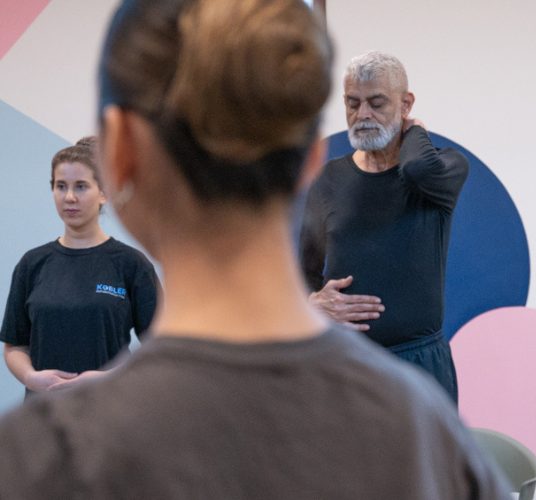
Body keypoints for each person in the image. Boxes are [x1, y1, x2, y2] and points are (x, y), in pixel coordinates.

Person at [0, 1, 508, 498]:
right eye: (355, 104)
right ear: (311, 159)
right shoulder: (430, 442)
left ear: (119, 160)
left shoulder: (37, 459)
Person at [299, 51, 468, 404]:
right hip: (347, 364)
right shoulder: (328, 179)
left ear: (405, 104)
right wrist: (314, 303)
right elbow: (303, 273)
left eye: (377, 103)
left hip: (421, 366)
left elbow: (418, 168)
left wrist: (416, 130)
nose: (362, 115)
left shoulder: (444, 168)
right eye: (353, 103)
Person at [0, 136, 159, 397]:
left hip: (110, 413)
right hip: (45, 417)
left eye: (81, 186)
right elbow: (15, 346)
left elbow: (160, 351)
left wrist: (110, 377)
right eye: (61, 186)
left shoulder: (132, 265)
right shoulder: (32, 264)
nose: (70, 197)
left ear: (104, 193)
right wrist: (31, 377)